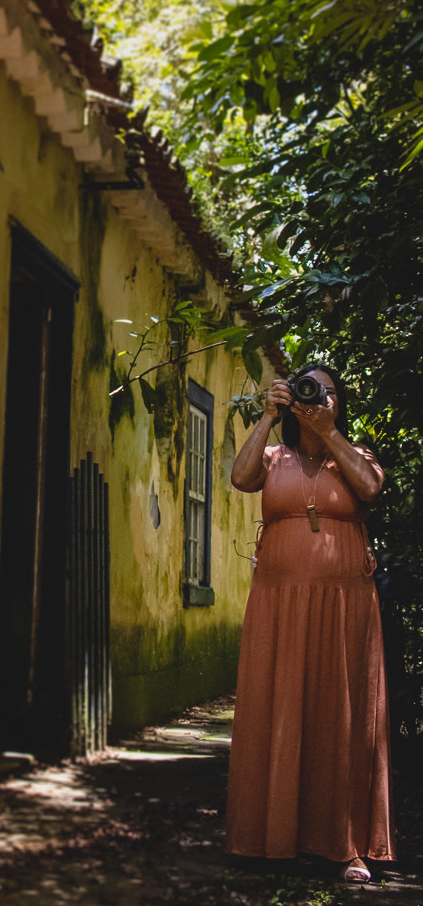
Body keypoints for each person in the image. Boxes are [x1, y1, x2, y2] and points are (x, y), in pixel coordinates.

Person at [226, 364, 395, 883]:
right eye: (309, 389)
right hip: (279, 602)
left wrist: (327, 432)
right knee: (274, 709)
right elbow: (241, 477)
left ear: (338, 403)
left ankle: (345, 847)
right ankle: (265, 837)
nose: (318, 398)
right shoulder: (275, 457)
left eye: (330, 392)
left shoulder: (355, 456)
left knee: (341, 714)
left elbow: (370, 487)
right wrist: (268, 416)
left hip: (346, 606)